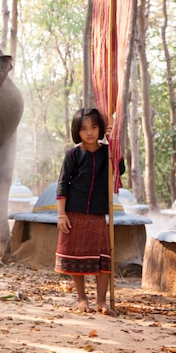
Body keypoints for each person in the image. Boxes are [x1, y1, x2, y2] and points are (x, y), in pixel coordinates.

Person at [55, 107, 124, 316]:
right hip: (74, 214)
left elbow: (120, 169)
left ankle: (101, 301)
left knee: (103, 259)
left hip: (97, 215)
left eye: (94, 127)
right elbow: (62, 184)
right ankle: (82, 298)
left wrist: (114, 143)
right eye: (84, 128)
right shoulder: (73, 155)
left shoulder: (107, 153)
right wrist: (61, 214)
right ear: (77, 131)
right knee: (77, 259)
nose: (90, 132)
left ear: (101, 129)